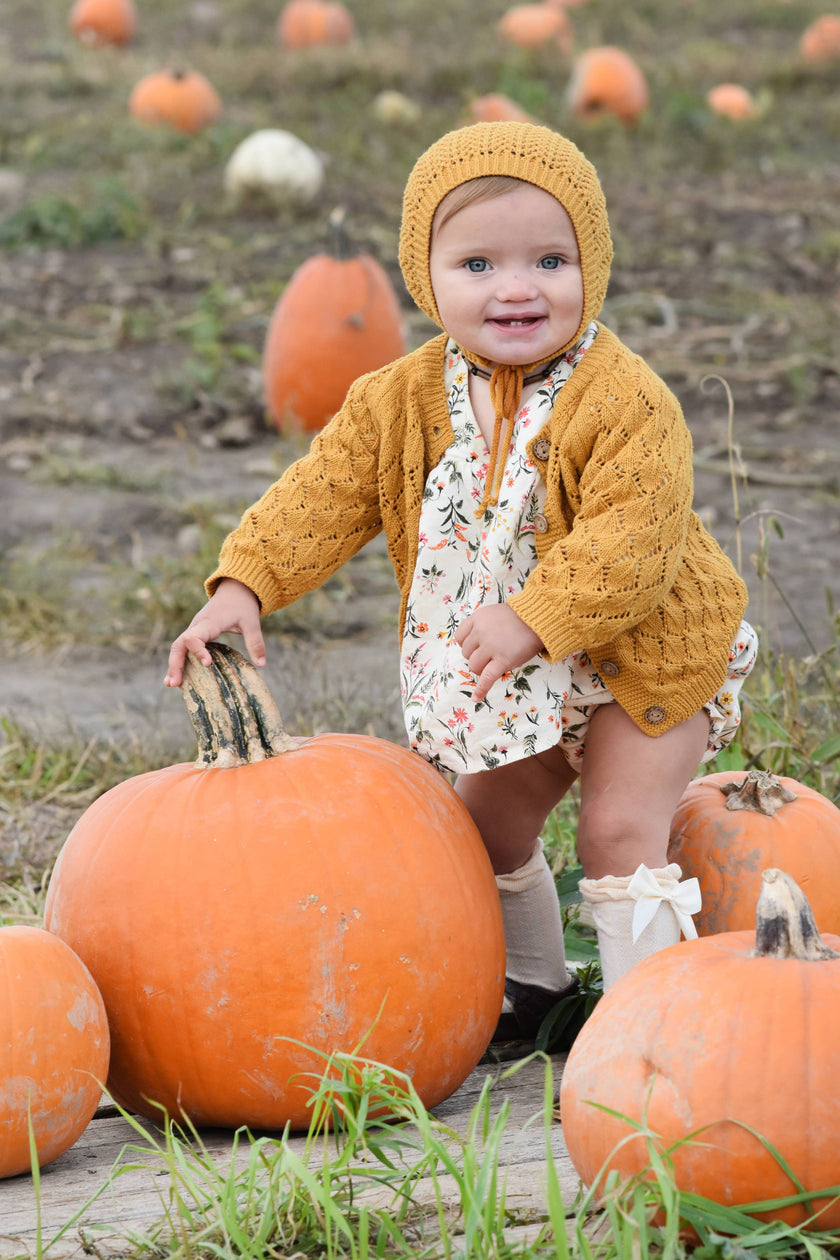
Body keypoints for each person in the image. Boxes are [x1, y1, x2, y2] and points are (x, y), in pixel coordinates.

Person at [165, 121, 757, 1040]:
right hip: (515, 667)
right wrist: (244, 584)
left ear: (593, 265)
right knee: (481, 828)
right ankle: (534, 990)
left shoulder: (627, 401)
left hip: (643, 656)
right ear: (424, 275)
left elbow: (633, 541)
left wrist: (536, 614)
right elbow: (322, 495)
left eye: (550, 260)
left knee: (614, 828)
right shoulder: (399, 398)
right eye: (478, 264)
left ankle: (651, 1026)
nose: (517, 288)